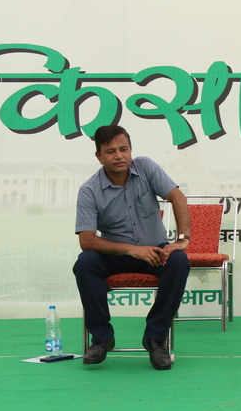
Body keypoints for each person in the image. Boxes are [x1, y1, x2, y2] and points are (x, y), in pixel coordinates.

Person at [72, 125, 191, 370]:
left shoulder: (145, 167)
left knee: (179, 261)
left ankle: (155, 338)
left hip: (155, 252)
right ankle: (102, 338)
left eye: (123, 149)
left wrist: (182, 239)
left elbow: (177, 197)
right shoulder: (89, 190)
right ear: (99, 156)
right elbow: (87, 240)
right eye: (110, 151)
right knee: (85, 262)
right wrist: (132, 249)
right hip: (114, 255)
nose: (119, 156)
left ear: (130, 150)